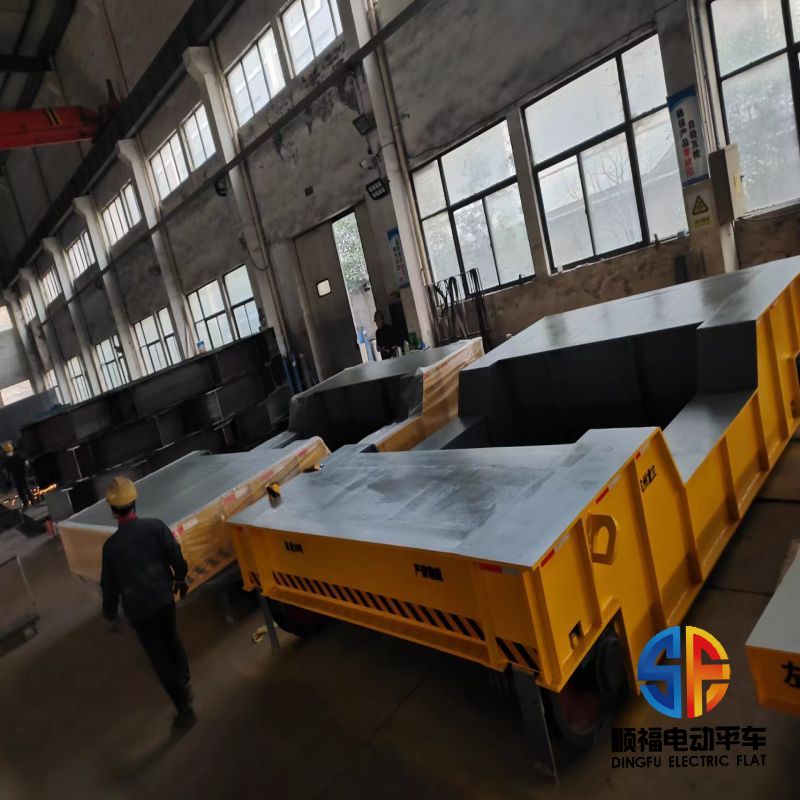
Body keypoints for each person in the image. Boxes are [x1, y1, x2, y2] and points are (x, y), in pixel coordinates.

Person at [100, 476, 196, 730]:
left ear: (113, 510)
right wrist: (180, 578)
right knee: (171, 637)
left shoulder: (111, 548)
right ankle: (184, 679)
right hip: (164, 598)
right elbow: (175, 554)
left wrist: (110, 613)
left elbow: (109, 587)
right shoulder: (155, 527)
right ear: (134, 502)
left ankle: (185, 709)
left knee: (159, 657)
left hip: (140, 611)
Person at [3, 441, 34, 508]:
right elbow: (25, 461)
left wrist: (9, 477)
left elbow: (8, 470)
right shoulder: (17, 455)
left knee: (21, 490)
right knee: (26, 488)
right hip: (22, 474)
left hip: (16, 475)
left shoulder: (6, 459)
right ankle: (32, 502)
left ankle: (26, 504)